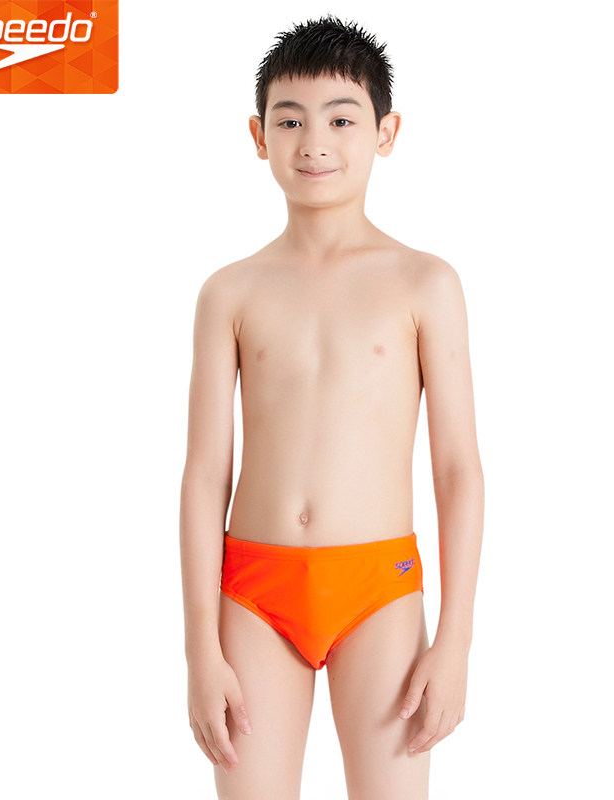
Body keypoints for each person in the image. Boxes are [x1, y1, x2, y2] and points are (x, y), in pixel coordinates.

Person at [180, 14, 484, 799]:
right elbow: (205, 474)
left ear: (386, 132)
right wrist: (200, 650)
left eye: (341, 120)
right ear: (258, 136)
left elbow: (457, 468)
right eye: (290, 121)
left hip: (379, 589)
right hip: (254, 591)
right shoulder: (229, 292)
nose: (314, 142)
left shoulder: (425, 283)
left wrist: (455, 640)